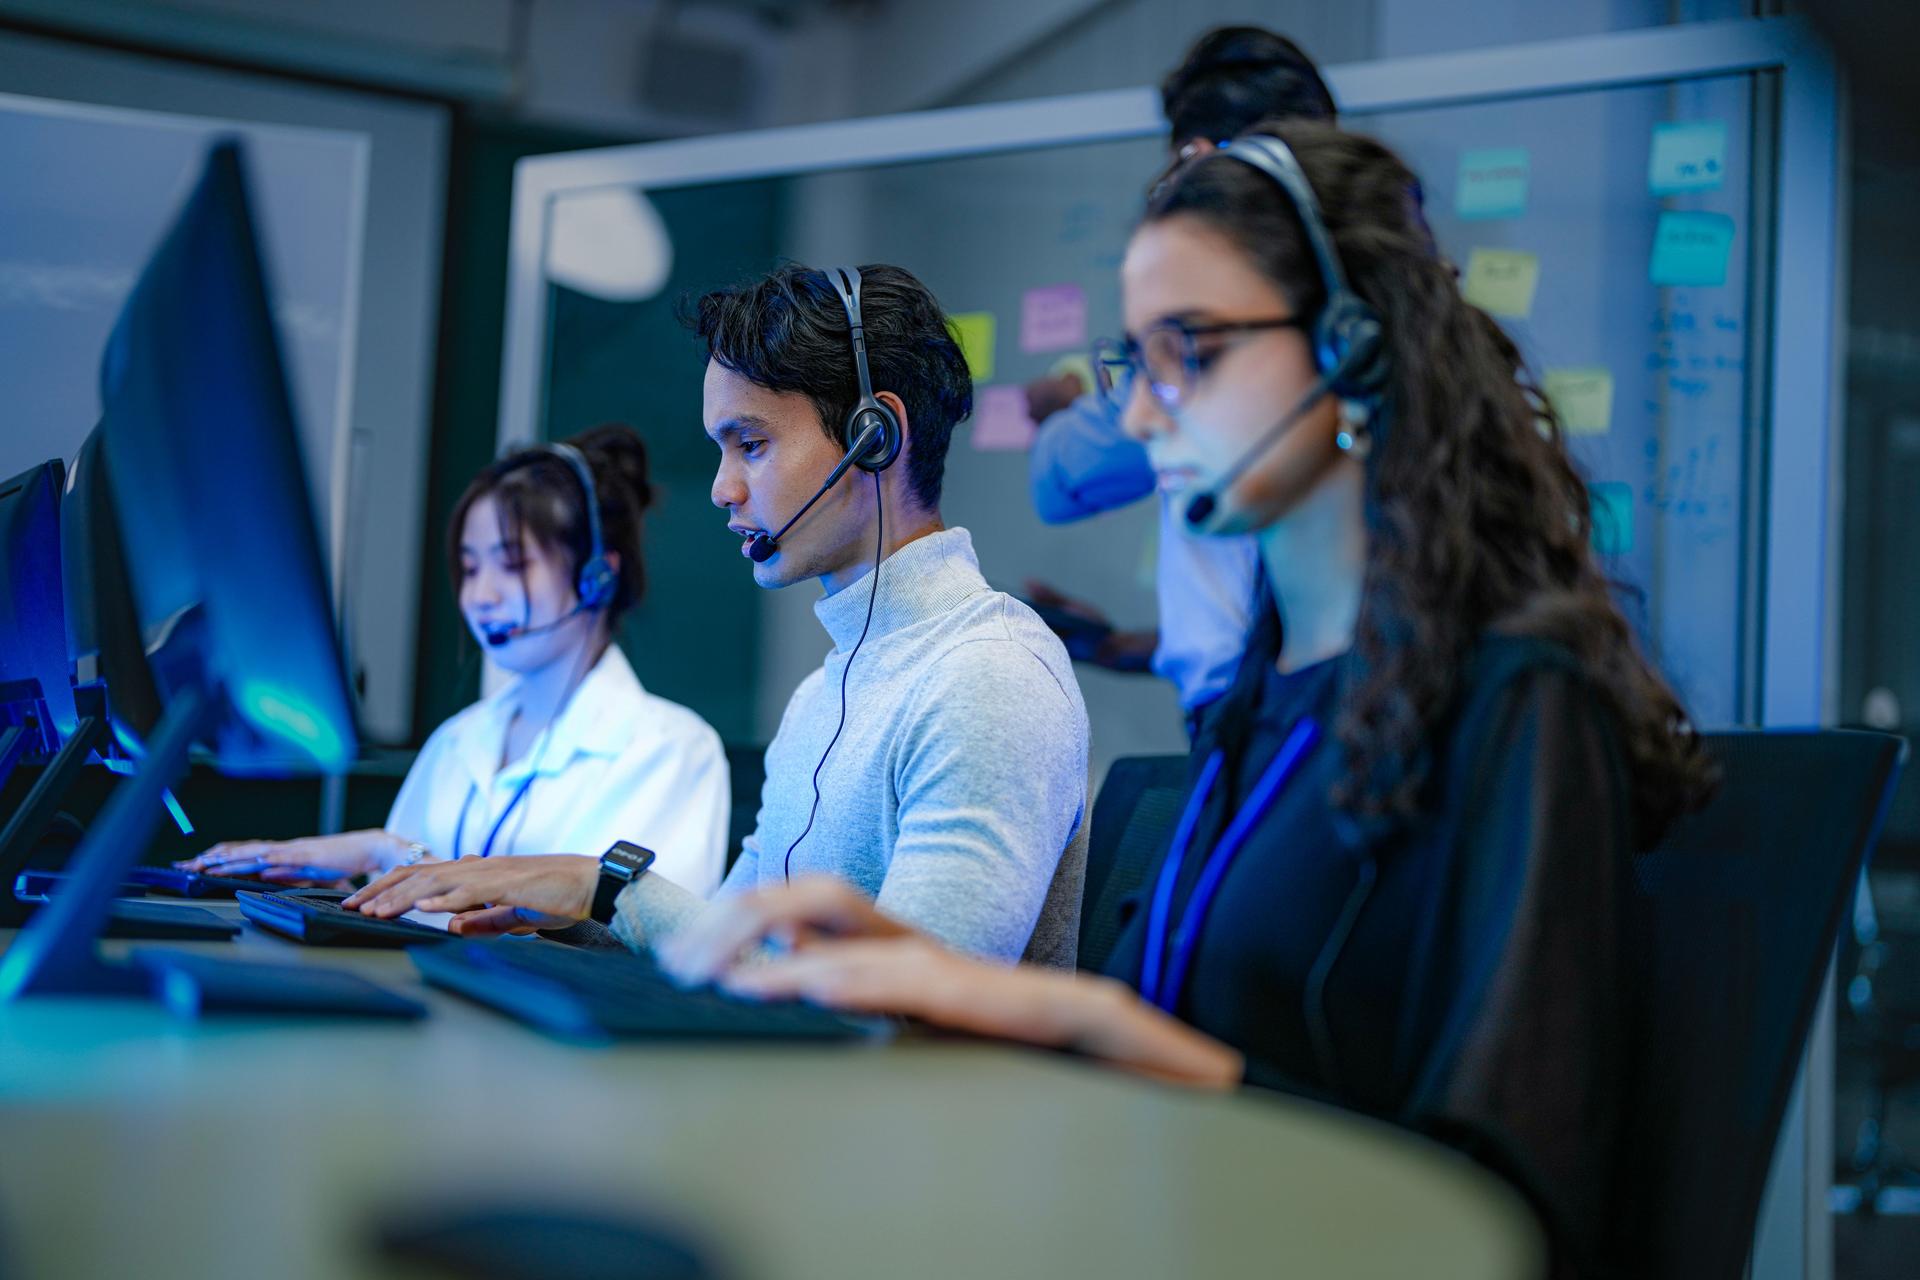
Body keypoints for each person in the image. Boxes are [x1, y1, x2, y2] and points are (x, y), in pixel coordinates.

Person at [647, 124, 1720, 1277]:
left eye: (1191, 352)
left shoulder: (1519, 703)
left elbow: (1501, 1200)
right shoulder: (1268, 700)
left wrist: (1088, 1019)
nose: (1144, 416)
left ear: (1350, 346)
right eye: (1139, 363)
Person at [341, 264, 1091, 967]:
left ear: (875, 436)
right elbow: (724, 949)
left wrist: (606, 886)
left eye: (752, 445)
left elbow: (920, 1002)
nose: (722, 489)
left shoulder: (990, 676)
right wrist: (569, 911)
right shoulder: (823, 696)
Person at [178, 424, 731, 896]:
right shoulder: (457, 741)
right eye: (470, 569)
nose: (480, 596)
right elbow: (400, 909)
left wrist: (390, 854)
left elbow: (635, 935)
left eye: (512, 565)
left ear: (597, 577)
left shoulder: (671, 750)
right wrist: (325, 888)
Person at [1026, 26, 1337, 733]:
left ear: (1196, 159)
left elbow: (1063, 475)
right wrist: (1130, 648)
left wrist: (1072, 405)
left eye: (1175, 353)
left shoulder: (1246, 338)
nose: (1146, 413)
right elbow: (1246, 610)